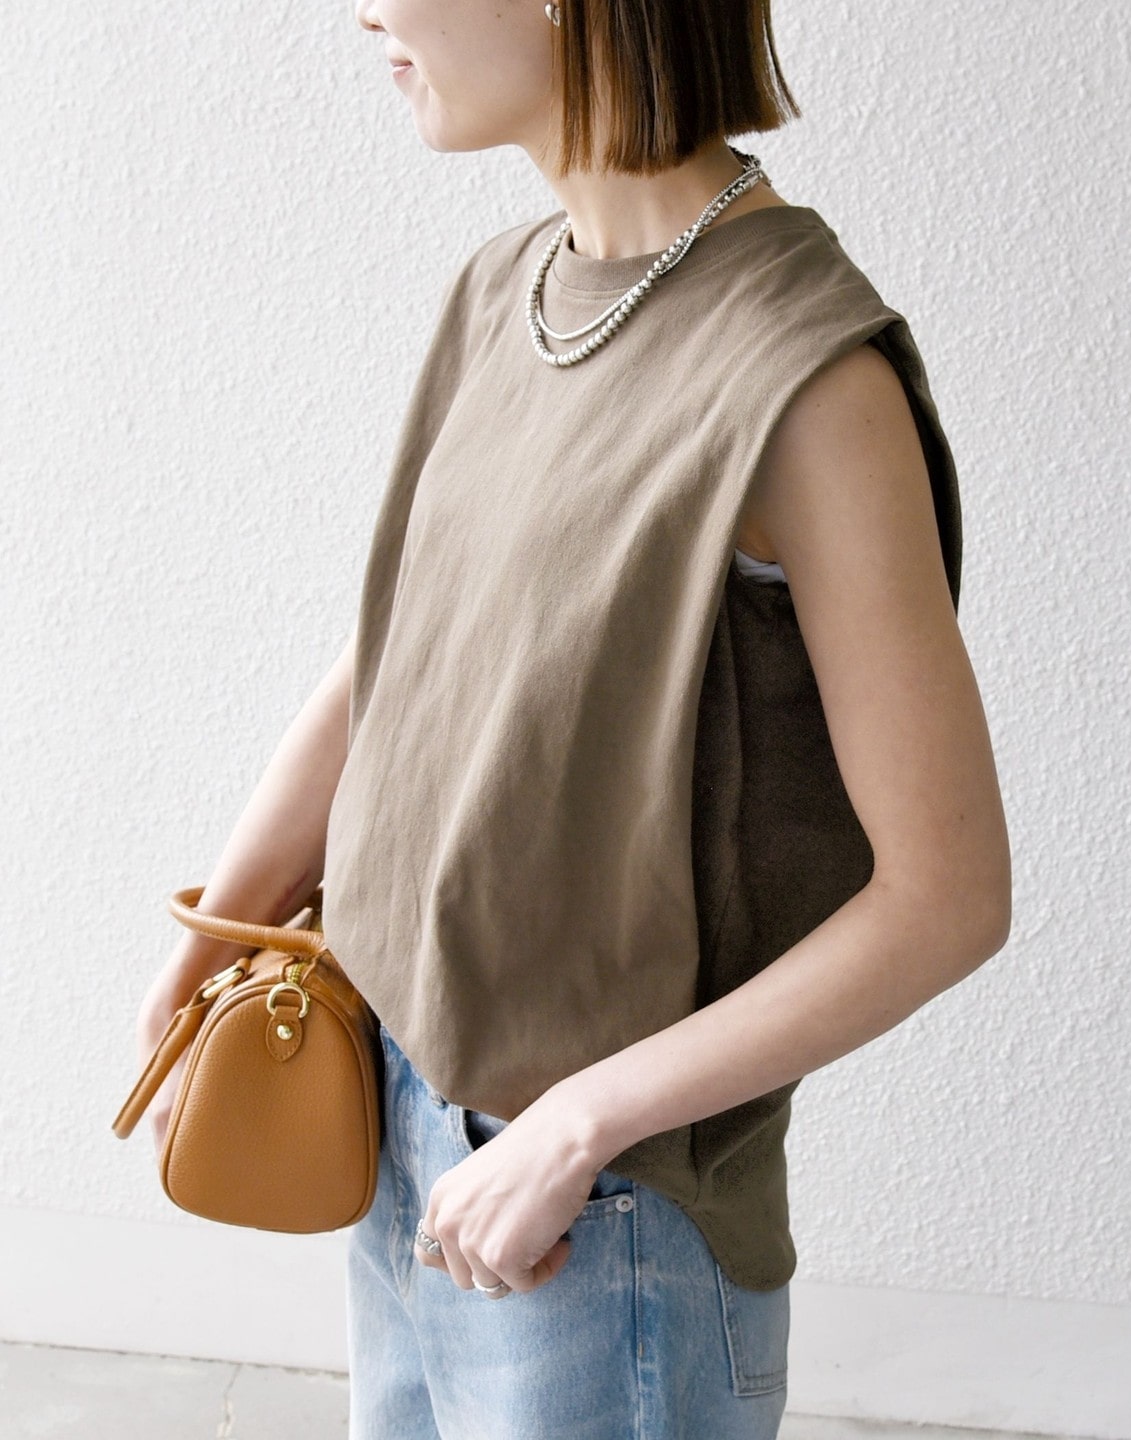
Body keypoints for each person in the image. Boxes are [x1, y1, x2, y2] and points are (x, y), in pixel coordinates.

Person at [133, 1, 1012, 1436]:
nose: (366, 9)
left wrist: (577, 1124)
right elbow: (392, 658)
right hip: (400, 1118)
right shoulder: (509, 289)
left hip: (602, 1221)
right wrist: (215, 937)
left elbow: (949, 897)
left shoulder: (808, 382)